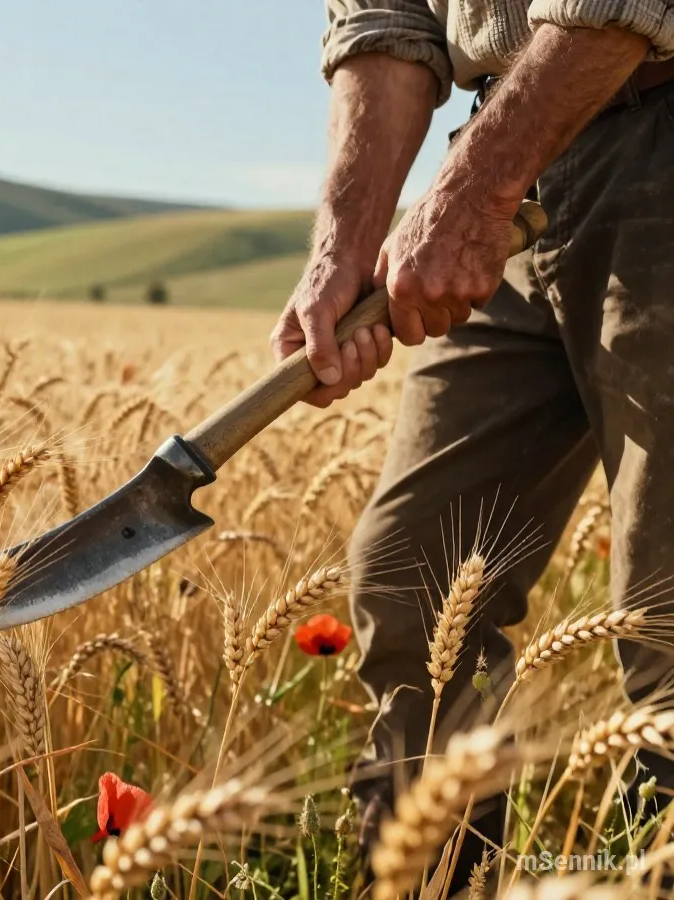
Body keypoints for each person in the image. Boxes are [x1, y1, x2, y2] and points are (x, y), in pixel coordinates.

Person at [272, 0, 674, 888]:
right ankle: (431, 881)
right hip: (512, 147)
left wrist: (475, 188)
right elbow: (387, 13)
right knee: (412, 578)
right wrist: (347, 235)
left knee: (668, 618)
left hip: (641, 115)